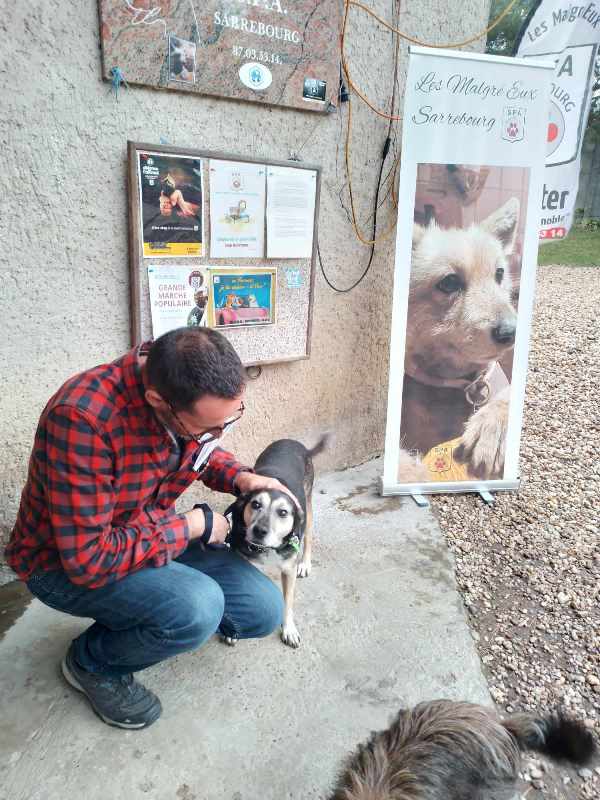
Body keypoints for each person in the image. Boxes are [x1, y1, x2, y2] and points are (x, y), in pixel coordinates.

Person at [5, 327, 293, 730]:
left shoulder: (179, 395)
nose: (217, 434)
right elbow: (89, 561)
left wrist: (242, 478)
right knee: (199, 607)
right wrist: (191, 525)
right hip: (60, 565)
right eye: (206, 427)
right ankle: (91, 662)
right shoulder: (82, 419)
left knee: (263, 610)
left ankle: (146, 614)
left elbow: (204, 451)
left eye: (227, 421)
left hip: (146, 530)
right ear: (158, 401)